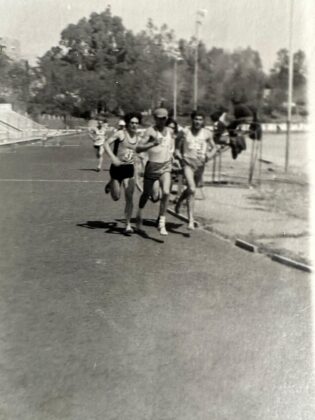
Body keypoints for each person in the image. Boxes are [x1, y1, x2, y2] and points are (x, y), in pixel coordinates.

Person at [175, 110, 217, 230]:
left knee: (191, 189)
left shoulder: (207, 133)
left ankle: (179, 202)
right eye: (195, 119)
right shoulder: (184, 132)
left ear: (203, 121)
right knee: (192, 189)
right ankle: (191, 220)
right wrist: (178, 154)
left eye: (200, 119)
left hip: (200, 164)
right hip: (188, 163)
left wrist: (210, 155)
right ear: (192, 120)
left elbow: (214, 147)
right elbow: (177, 146)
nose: (198, 122)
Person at [135, 108, 175, 236]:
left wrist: (174, 158)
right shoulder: (150, 131)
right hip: (152, 166)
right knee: (147, 194)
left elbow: (170, 148)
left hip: (166, 166)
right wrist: (152, 144)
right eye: (159, 118)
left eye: (164, 118)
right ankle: (139, 214)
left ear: (167, 118)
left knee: (167, 192)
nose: (161, 120)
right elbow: (138, 148)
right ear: (155, 118)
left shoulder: (170, 131)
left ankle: (161, 223)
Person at [104, 112, 142, 234]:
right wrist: (113, 158)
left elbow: (137, 157)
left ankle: (128, 224)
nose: (134, 125)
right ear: (127, 123)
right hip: (116, 168)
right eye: (132, 123)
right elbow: (105, 144)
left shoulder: (138, 137)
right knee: (116, 197)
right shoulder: (120, 134)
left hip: (129, 168)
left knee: (129, 197)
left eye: (136, 123)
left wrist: (138, 176)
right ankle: (111, 183)